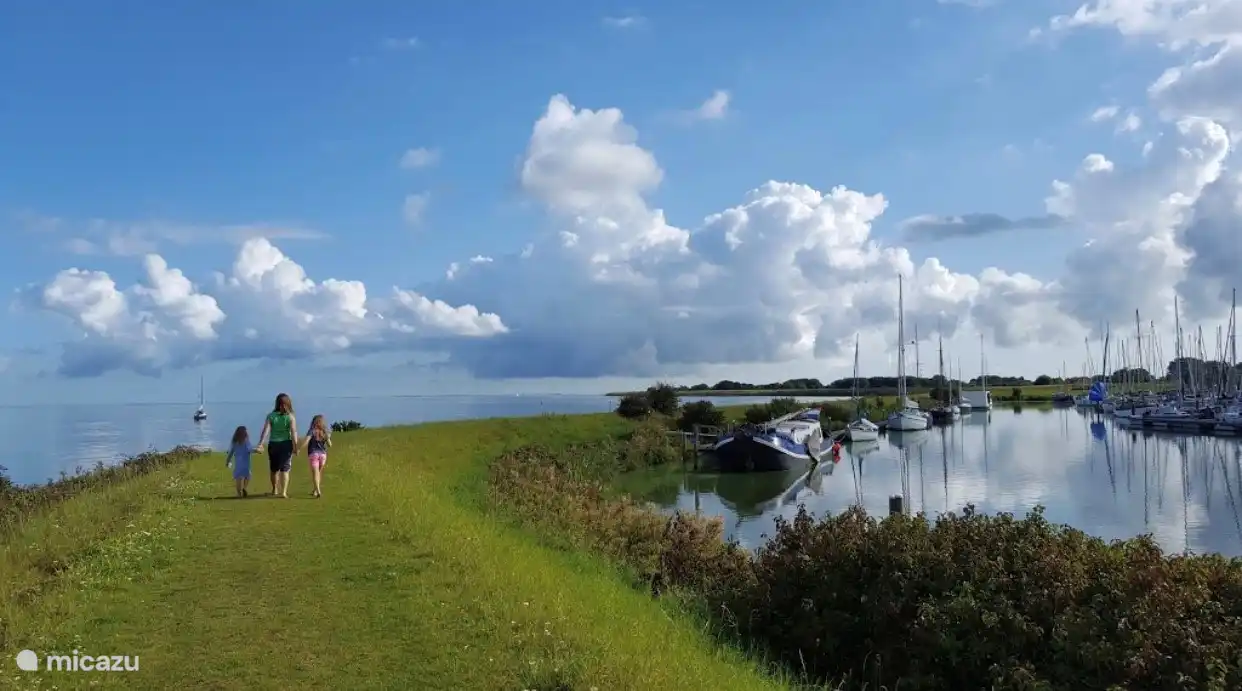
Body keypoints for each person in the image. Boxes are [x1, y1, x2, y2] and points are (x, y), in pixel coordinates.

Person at [256, 393, 298, 498]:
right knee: (285, 469)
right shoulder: (290, 417)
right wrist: (295, 446)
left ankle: (274, 489)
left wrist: (260, 443)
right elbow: (293, 432)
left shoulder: (271, 416)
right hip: (286, 444)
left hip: (274, 444)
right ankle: (283, 492)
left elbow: (265, 431)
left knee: (274, 469)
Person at [299, 414, 332, 498]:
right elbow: (330, 445)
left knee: (315, 474)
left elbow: (306, 441)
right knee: (318, 473)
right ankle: (315, 490)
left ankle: (318, 491)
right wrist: (327, 438)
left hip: (313, 454)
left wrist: (299, 449)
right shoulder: (325, 432)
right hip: (323, 455)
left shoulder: (312, 431)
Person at [225, 425, 262, 497]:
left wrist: (228, 461)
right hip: (246, 463)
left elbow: (231, 453)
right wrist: (257, 450)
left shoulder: (235, 443)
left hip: (238, 464)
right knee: (247, 476)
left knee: (238, 478)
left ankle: (239, 493)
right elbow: (250, 450)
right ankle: (244, 488)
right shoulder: (246, 442)